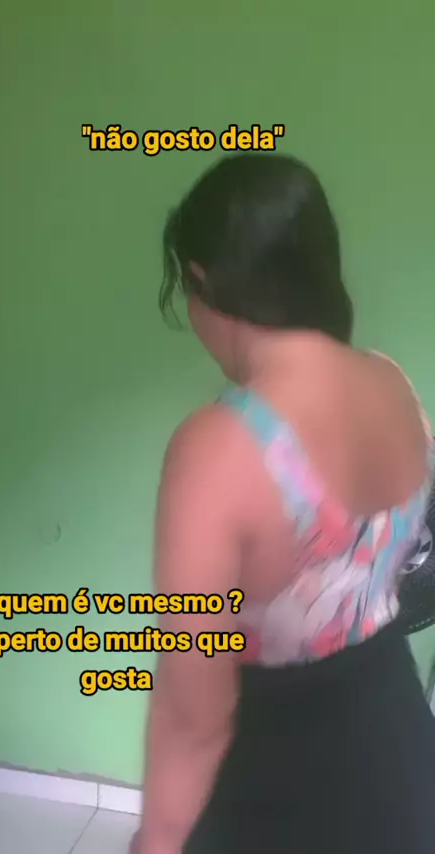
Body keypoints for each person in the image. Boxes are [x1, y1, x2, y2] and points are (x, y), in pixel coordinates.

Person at [131, 153, 435, 854]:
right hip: (400, 746)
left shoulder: (218, 447)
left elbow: (194, 713)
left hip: (277, 775)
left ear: (203, 281)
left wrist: (158, 843)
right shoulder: (390, 381)